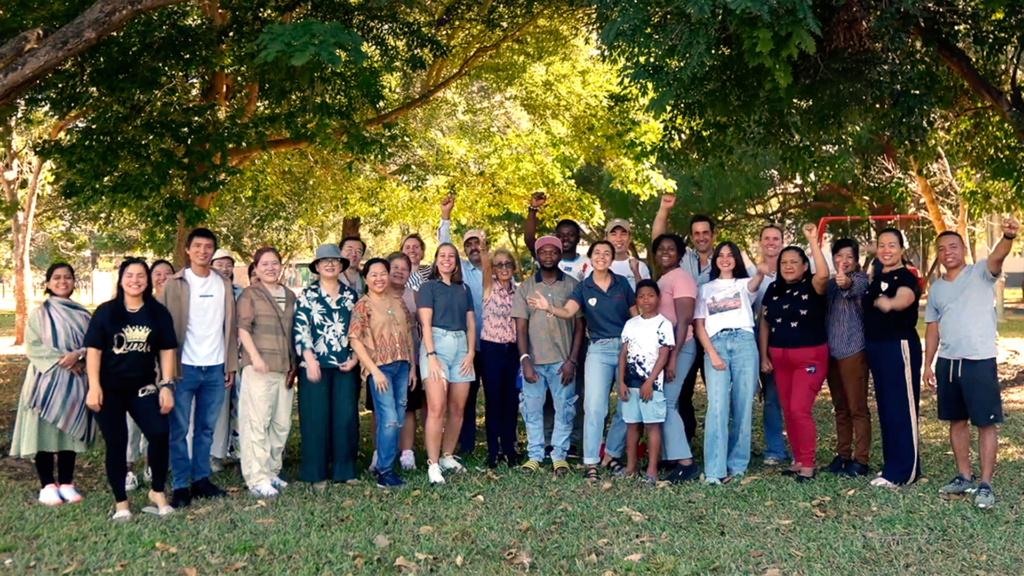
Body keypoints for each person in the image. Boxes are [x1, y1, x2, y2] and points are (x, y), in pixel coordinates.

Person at [925, 219, 1018, 509]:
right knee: (957, 421)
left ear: (963, 249)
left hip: (979, 361)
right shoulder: (937, 288)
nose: (947, 252)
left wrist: (1008, 236)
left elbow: (998, 256)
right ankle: (964, 476)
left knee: (986, 424)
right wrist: (928, 364)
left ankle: (986, 484)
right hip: (948, 363)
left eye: (952, 246)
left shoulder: (980, 272)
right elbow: (932, 328)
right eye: (941, 249)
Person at [528, 240, 636, 483]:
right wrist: (549, 307)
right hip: (598, 349)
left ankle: (610, 454)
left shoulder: (622, 284)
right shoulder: (583, 287)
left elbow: (636, 315)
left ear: (611, 258)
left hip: (626, 347)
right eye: (597, 252)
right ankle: (591, 462)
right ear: (590, 258)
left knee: (625, 405)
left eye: (606, 253)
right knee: (595, 407)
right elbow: (568, 312)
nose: (602, 256)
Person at [85, 259, 177, 519]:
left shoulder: (157, 313)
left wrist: (167, 385)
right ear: (121, 278)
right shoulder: (105, 312)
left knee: (159, 433)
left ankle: (157, 491)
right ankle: (121, 503)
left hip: (143, 387)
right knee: (117, 442)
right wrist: (94, 387)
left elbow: (167, 350)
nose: (135, 280)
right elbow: (93, 350)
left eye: (140, 275)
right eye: (129, 275)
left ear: (147, 281)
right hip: (109, 388)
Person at [157, 228, 238, 508]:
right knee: (178, 429)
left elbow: (230, 327)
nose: (203, 251)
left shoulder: (223, 283)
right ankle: (180, 484)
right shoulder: (174, 283)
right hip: (183, 368)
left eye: (208, 247)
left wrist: (230, 364)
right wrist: (164, 372)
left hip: (215, 367)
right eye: (198, 246)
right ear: (187, 251)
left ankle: (201, 479)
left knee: (205, 428)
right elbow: (163, 329)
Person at [10, 264, 94, 506]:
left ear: (74, 282)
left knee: (69, 431)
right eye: (56, 278)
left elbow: (93, 344)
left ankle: (66, 483)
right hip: (44, 382)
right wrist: (64, 360)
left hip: (75, 382)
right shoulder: (38, 314)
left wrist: (78, 354)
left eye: (68, 277)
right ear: (48, 283)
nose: (62, 281)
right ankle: (47, 484)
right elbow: (33, 346)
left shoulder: (83, 314)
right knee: (44, 432)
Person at [759, 224, 830, 482]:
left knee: (800, 410)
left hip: (809, 358)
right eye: (784, 262)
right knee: (788, 410)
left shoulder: (814, 286)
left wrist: (812, 239)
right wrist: (764, 355)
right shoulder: (773, 289)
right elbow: (765, 322)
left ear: (803, 266)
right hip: (779, 358)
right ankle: (797, 459)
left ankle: (808, 464)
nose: (788, 266)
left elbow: (823, 273)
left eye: (794, 262)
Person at [694, 242, 765, 484]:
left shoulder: (745, 284)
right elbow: (699, 325)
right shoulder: (704, 288)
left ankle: (737, 466)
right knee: (717, 407)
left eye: (730, 255)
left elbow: (756, 281)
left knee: (743, 405)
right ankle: (714, 470)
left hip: (745, 342)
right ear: (714, 261)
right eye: (720, 255)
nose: (725, 259)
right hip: (717, 344)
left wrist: (762, 270)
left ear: (736, 259)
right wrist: (712, 353)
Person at [523, 191, 588, 457]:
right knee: (543, 398)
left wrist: (573, 355)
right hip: (540, 347)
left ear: (576, 239)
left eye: (570, 233)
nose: (565, 236)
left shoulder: (585, 267)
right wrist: (532, 210)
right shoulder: (543, 262)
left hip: (573, 340)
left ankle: (571, 443)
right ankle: (546, 444)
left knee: (572, 396)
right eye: (560, 232)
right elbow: (530, 240)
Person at [512, 236, 583, 476]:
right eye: (544, 252)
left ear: (560, 255)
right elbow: (520, 327)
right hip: (534, 362)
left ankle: (559, 456)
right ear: (537, 256)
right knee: (532, 410)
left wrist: (572, 360)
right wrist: (525, 360)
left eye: (554, 251)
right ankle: (534, 455)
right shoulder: (526, 287)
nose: (549, 255)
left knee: (564, 409)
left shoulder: (573, 285)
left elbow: (580, 326)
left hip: (563, 362)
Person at [293, 244, 360, 490]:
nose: (330, 264)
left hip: (345, 365)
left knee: (345, 418)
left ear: (342, 265)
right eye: (324, 261)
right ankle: (315, 473)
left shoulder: (352, 296)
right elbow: (300, 329)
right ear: (317, 267)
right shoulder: (307, 296)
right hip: (315, 366)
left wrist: (354, 358)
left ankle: (345, 471)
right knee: (315, 419)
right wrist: (309, 361)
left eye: (335, 260)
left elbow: (359, 330)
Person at [652, 194, 715, 444]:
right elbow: (659, 239)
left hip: (712, 335)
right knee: (682, 391)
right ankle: (684, 441)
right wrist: (664, 209)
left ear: (713, 234)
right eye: (696, 233)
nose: (701, 237)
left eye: (705, 232)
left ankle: (714, 442)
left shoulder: (723, 259)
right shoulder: (683, 258)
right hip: (686, 334)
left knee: (715, 393)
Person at [349, 258, 417, 488]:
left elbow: (408, 333)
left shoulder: (398, 302)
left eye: (383, 273)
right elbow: (355, 339)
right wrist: (373, 370)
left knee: (397, 418)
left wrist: (413, 367)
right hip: (380, 369)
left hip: (402, 367)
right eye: (373, 274)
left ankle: (385, 463)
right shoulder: (363, 305)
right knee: (388, 419)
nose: (379, 278)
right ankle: (384, 471)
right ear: (366, 279)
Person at [236, 247, 298, 497]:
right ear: (256, 268)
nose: (271, 268)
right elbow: (243, 328)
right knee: (256, 423)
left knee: (281, 423)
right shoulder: (250, 295)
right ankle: (256, 477)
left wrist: (295, 364)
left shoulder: (291, 295)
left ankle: (272, 471)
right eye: (265, 264)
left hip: (285, 369)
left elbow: (295, 332)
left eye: (275, 263)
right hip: (259, 368)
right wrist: (255, 358)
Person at [863, 228, 922, 488]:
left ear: (901, 249)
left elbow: (905, 298)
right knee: (886, 408)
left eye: (892, 245)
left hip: (899, 346)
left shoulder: (906, 277)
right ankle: (892, 466)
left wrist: (891, 303)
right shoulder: (877, 274)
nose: (886, 250)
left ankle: (904, 472)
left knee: (902, 408)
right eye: (882, 245)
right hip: (877, 346)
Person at [417, 243, 476, 484]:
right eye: (442, 255)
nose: (447, 259)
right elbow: (425, 323)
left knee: (457, 408)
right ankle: (432, 464)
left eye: (451, 256)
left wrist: (471, 352)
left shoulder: (464, 289)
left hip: (461, 346)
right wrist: (431, 355)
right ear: (436, 260)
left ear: (456, 262)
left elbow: (471, 323)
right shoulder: (428, 287)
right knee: (436, 407)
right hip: (436, 346)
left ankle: (447, 456)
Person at [435, 196, 485, 456]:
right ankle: (464, 446)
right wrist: (446, 216)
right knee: (465, 398)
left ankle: (500, 445)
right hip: (467, 347)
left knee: (499, 396)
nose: (474, 247)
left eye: (478, 242)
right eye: (469, 244)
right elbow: (444, 246)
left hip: (496, 345)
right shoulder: (461, 271)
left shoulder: (496, 269)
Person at [650, 233, 700, 482]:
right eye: (661, 248)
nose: (665, 252)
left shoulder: (682, 279)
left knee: (667, 404)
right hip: (664, 351)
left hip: (680, 349)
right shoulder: (663, 279)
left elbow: (684, 322)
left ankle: (686, 462)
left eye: (671, 248)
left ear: (680, 254)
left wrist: (673, 357)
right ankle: (673, 457)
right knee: (665, 404)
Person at [125, 259, 176, 491]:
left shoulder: (167, 308)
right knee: (130, 423)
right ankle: (127, 469)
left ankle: (149, 464)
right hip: (132, 374)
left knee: (154, 419)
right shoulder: (129, 305)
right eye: (157, 273)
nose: (162, 277)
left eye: (168, 273)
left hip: (160, 374)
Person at [617, 280, 674, 484]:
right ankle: (631, 467)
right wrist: (621, 382)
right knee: (632, 425)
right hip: (630, 384)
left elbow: (664, 355)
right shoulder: (631, 324)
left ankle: (652, 470)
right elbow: (623, 354)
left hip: (652, 385)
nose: (646, 299)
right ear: (636, 300)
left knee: (652, 426)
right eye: (641, 296)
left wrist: (650, 382)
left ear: (658, 298)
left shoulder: (663, 324)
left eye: (650, 295)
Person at [823, 238, 871, 478]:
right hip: (831, 354)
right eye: (839, 256)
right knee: (840, 408)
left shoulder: (860, 279)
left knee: (857, 408)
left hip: (854, 351)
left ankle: (861, 459)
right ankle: (842, 455)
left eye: (849, 257)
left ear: (857, 261)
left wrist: (845, 281)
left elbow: (852, 286)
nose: (844, 261)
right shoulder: (829, 284)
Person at [749, 224, 788, 466]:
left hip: (793, 340)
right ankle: (775, 448)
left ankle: (799, 446)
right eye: (767, 238)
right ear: (760, 242)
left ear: (782, 243)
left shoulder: (793, 270)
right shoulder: (753, 274)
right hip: (761, 339)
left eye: (776, 238)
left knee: (794, 398)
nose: (771, 242)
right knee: (771, 396)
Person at [478, 247, 520, 468]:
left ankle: (509, 448)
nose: (504, 268)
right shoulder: (489, 287)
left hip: (512, 351)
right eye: (499, 264)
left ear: (513, 267)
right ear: (493, 269)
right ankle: (492, 451)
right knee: (493, 400)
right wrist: (484, 250)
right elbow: (484, 267)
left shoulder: (519, 291)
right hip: (491, 350)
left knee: (511, 400)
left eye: (507, 264)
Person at [388, 252, 423, 471]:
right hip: (383, 361)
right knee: (380, 409)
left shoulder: (415, 296)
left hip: (410, 361)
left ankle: (407, 452)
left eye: (405, 268)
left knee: (408, 407)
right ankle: (380, 452)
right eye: (395, 267)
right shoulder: (377, 294)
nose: (400, 272)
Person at [210, 248, 243, 470]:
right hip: (213, 356)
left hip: (240, 355)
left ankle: (240, 450)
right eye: (220, 264)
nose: (225, 268)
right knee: (217, 406)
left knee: (241, 403)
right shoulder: (205, 290)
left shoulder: (241, 292)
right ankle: (215, 455)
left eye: (228, 264)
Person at [605, 218, 650, 290]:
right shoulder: (597, 265)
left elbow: (646, 296)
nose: (619, 239)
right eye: (613, 234)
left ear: (630, 239)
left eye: (623, 234)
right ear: (606, 238)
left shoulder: (640, 266)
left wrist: (636, 273)